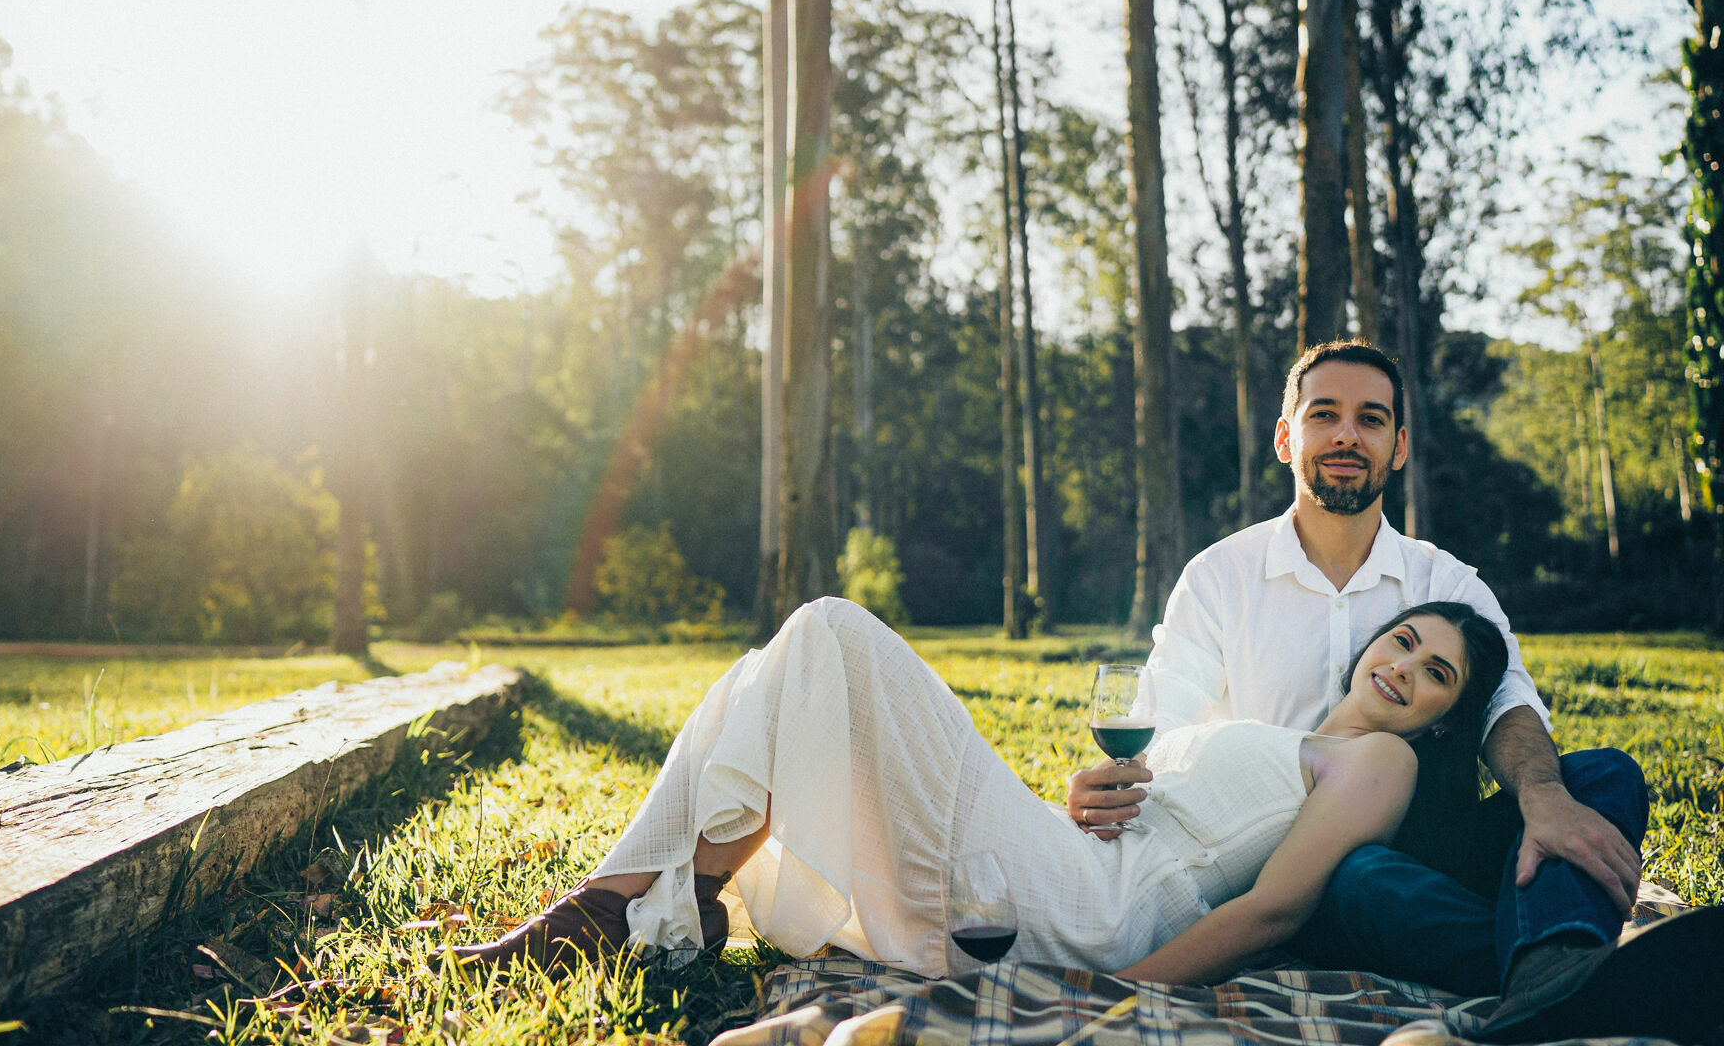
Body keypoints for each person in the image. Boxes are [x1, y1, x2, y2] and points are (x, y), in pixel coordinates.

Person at [1066, 339, 1722, 1043]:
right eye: (1326, 415)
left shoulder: (1446, 580)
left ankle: (1552, 975)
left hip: (1436, 843)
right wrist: (1114, 778)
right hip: (1311, 871)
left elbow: (1510, 704)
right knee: (1364, 875)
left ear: (1399, 446)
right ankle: (1568, 973)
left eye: (1371, 418)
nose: (1348, 434)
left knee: (1601, 773)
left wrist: (1545, 800)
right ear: (1287, 437)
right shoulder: (1222, 574)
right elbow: (1166, 710)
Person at [444, 595, 1506, 992]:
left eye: (1436, 673)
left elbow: (1274, 900)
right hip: (1071, 851)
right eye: (1406, 639)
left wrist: (1123, 990)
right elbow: (1177, 807)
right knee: (768, 674)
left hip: (1103, 909)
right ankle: (623, 907)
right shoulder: (1292, 733)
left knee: (831, 633)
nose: (1406, 667)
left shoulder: (1386, 763)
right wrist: (1095, 792)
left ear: (1444, 717)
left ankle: (620, 910)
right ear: (1378, 637)